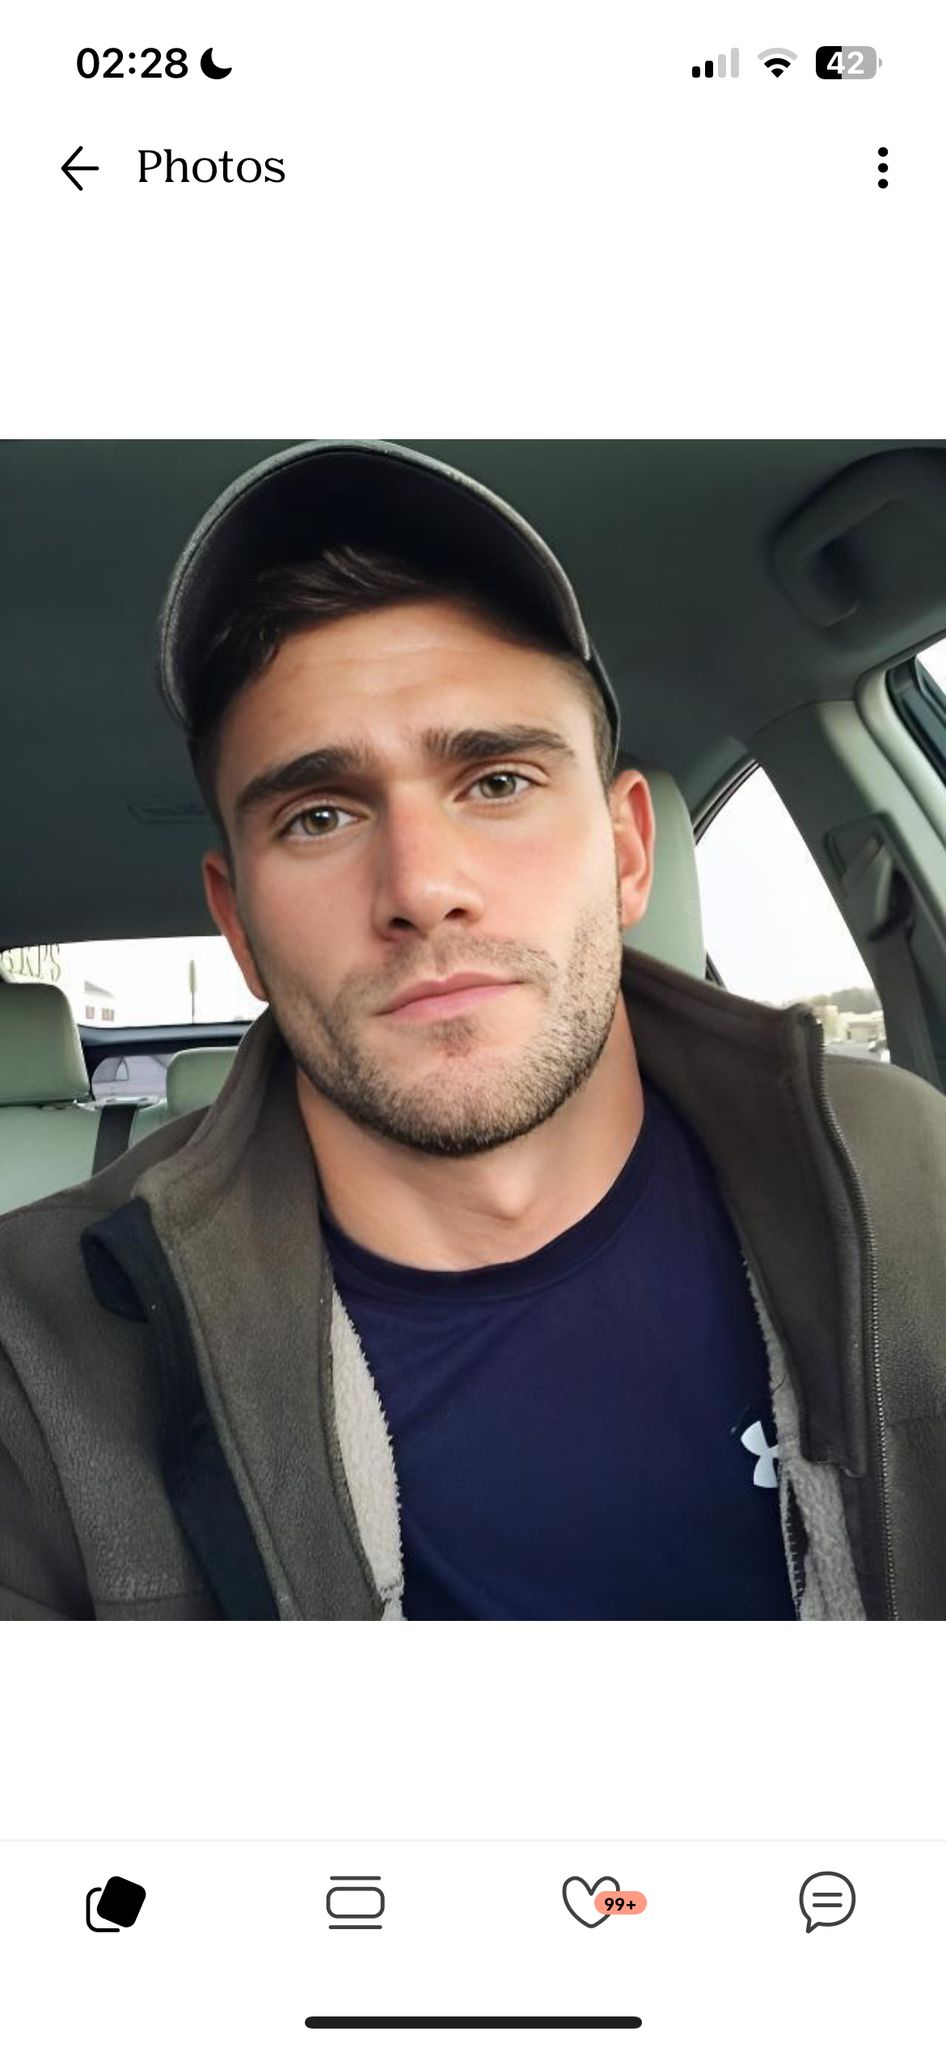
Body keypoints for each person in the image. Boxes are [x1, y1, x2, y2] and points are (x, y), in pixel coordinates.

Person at [2, 440, 945, 1621]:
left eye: (497, 781)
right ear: (237, 923)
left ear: (628, 853)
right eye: (319, 814)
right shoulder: (39, 1350)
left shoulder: (904, 1174)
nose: (422, 886)